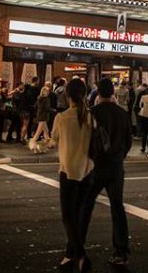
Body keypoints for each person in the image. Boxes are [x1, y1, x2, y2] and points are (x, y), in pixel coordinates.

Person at [79, 77, 132, 268]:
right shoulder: (122, 113)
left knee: (86, 206)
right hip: (116, 167)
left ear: (98, 93)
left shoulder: (92, 113)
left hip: (95, 166)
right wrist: (118, 157)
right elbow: (128, 141)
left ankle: (77, 246)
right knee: (117, 207)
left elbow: (84, 140)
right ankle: (121, 251)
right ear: (113, 93)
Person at [50, 77, 93, 273]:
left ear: (67, 95)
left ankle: (80, 254)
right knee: (80, 216)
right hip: (87, 171)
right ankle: (71, 253)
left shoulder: (61, 118)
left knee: (68, 216)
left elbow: (53, 140)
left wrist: (36, 143)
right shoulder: (91, 117)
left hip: (68, 171)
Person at [30, 85, 52, 152]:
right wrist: (52, 110)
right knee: (38, 133)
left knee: (46, 132)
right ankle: (33, 145)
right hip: (44, 116)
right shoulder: (46, 99)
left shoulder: (39, 98)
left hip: (39, 116)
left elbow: (35, 106)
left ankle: (45, 146)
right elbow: (47, 108)